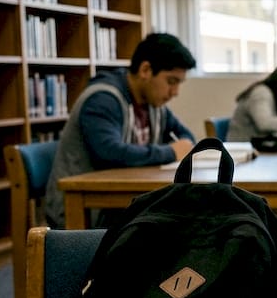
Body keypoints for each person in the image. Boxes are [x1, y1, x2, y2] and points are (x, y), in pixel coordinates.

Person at [44, 32, 197, 228]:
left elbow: (186, 138)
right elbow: (111, 153)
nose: (175, 92)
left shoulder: (153, 104)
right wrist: (170, 152)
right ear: (146, 70)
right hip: (86, 211)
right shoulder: (102, 100)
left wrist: (178, 148)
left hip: (122, 205)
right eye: (171, 81)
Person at [226, 60, 277, 141]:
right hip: (242, 151)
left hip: (257, 149)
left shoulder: (276, 96)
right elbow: (265, 124)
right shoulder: (261, 92)